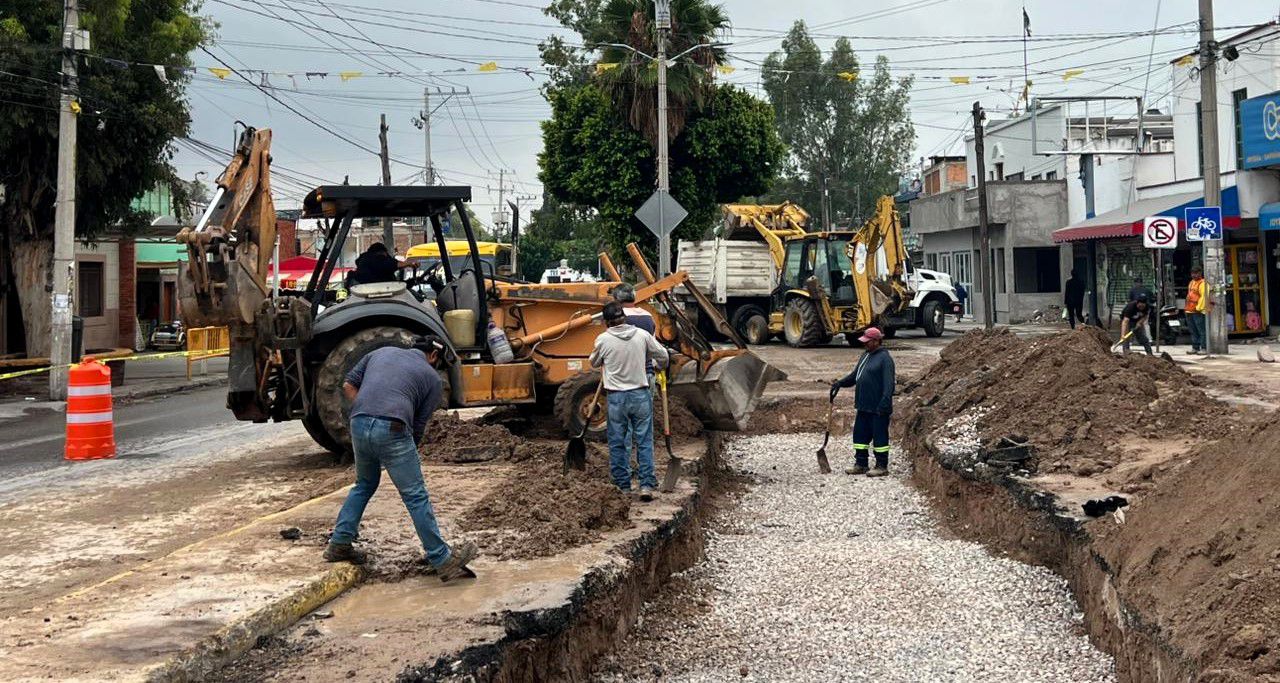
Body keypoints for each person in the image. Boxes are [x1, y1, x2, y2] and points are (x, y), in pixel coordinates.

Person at [324, 335, 478, 582]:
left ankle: (339, 543)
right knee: (415, 495)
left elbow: (348, 385)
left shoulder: (381, 352)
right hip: (394, 428)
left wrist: (369, 409)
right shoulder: (431, 378)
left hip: (359, 422)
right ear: (434, 356)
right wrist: (409, 451)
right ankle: (441, 559)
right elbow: (417, 425)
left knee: (364, 484)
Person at [589, 301, 669, 500]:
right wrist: (657, 364)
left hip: (616, 398)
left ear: (607, 322)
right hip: (640, 395)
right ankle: (646, 486)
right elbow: (664, 355)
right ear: (624, 317)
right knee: (644, 441)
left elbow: (594, 363)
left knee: (617, 442)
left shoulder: (603, 340)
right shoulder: (642, 336)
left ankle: (622, 486)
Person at [831, 327, 895, 478]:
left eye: (867, 342)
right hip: (863, 406)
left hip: (878, 408)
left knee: (880, 437)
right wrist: (839, 383)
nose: (864, 344)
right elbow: (855, 376)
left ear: (876, 341)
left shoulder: (885, 359)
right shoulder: (865, 355)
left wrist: (884, 403)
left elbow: (889, 384)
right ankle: (861, 463)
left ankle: (881, 466)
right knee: (860, 436)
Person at [1185, 267, 1209, 354]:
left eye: (1196, 273)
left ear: (1200, 273)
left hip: (1197, 311)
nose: (1194, 275)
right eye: (1193, 273)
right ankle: (1195, 347)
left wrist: (1199, 308)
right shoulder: (1191, 283)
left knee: (1201, 330)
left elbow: (1204, 297)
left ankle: (1204, 348)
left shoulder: (1203, 283)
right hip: (1189, 310)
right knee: (1193, 330)